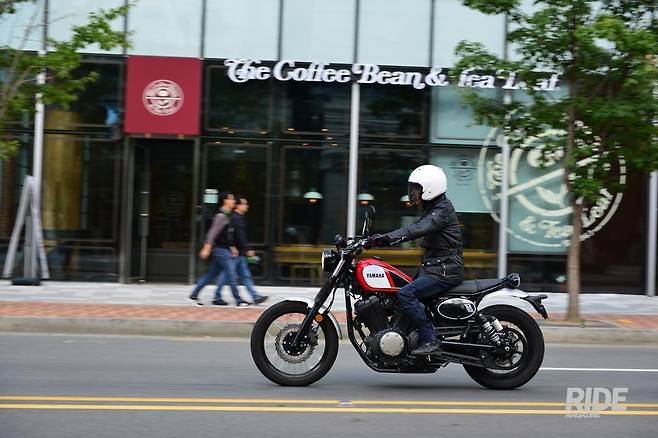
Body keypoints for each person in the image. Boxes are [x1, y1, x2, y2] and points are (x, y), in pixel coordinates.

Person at [369, 165, 464, 355]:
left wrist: (384, 239)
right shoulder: (434, 208)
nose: (412, 192)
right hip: (434, 267)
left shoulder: (442, 210)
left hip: (445, 270)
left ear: (430, 188)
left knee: (406, 294)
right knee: (398, 292)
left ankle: (431, 340)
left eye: (416, 188)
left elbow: (416, 230)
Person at [189, 191, 241, 306]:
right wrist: (206, 248)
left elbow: (226, 235)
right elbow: (212, 233)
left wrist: (232, 247)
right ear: (225, 201)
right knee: (231, 275)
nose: (233, 201)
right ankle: (239, 301)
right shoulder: (221, 216)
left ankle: (194, 295)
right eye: (231, 199)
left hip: (223, 250)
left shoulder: (227, 215)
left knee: (210, 275)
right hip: (221, 251)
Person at [216, 196, 268, 306]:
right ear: (238, 206)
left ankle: (255, 296)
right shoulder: (235, 218)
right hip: (234, 253)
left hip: (239, 253)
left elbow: (240, 236)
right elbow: (235, 236)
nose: (247, 206)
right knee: (227, 275)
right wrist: (243, 248)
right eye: (244, 204)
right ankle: (218, 296)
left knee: (243, 275)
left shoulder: (239, 218)